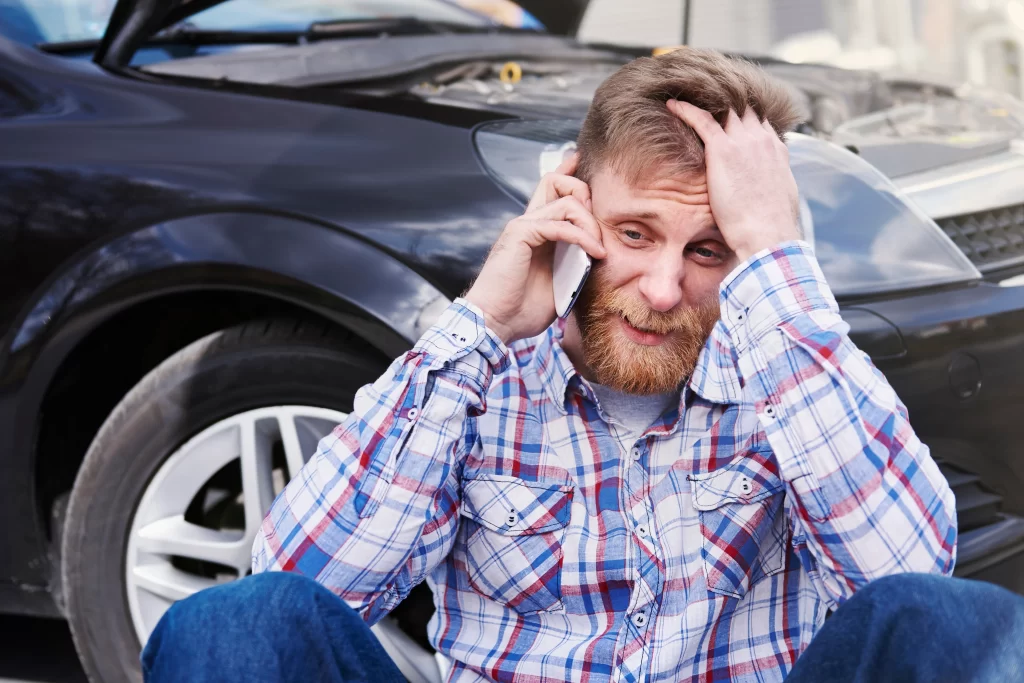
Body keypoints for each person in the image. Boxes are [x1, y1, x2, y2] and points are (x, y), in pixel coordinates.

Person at [142, 48, 1024, 682]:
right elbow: (298, 587)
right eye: (634, 233)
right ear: (574, 205)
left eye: (710, 249)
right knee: (228, 628)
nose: (665, 288)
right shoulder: (480, 378)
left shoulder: (787, 371)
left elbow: (908, 579)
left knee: (968, 623)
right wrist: (480, 325)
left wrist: (773, 257)